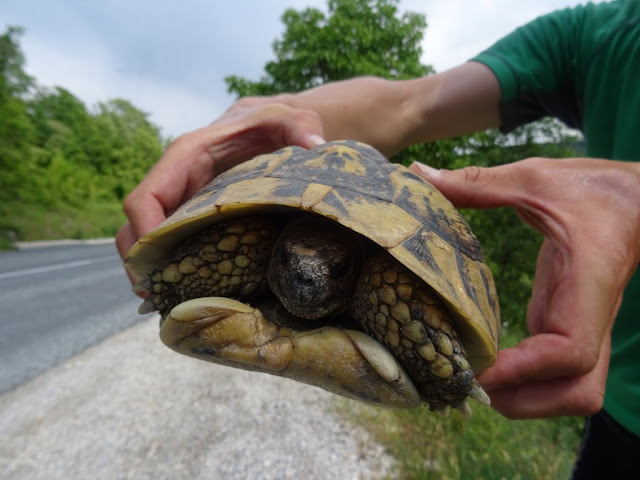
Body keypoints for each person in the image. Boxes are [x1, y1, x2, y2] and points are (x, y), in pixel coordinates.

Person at [116, 0, 640, 476]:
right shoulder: (599, 33)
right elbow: (414, 102)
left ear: (354, 270)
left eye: (336, 270)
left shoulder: (379, 281)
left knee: (390, 287)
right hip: (621, 410)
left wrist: (443, 370)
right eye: (290, 261)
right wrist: (274, 109)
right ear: (276, 255)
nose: (308, 279)